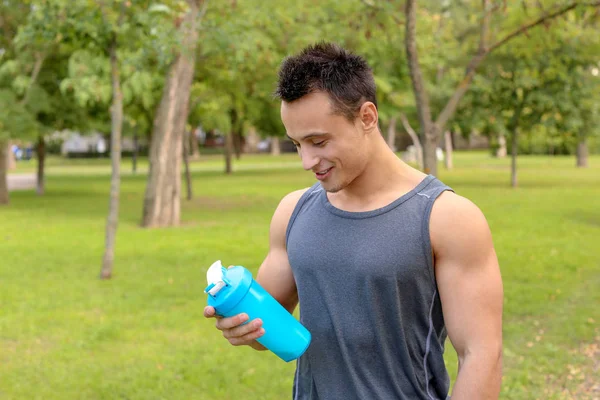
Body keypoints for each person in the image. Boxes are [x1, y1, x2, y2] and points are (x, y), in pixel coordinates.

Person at [204, 42, 503, 400]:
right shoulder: (293, 211)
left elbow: (481, 353)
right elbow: (267, 330)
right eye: (297, 144)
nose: (306, 161)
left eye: (318, 141)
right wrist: (241, 326)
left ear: (367, 117)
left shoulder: (447, 218)